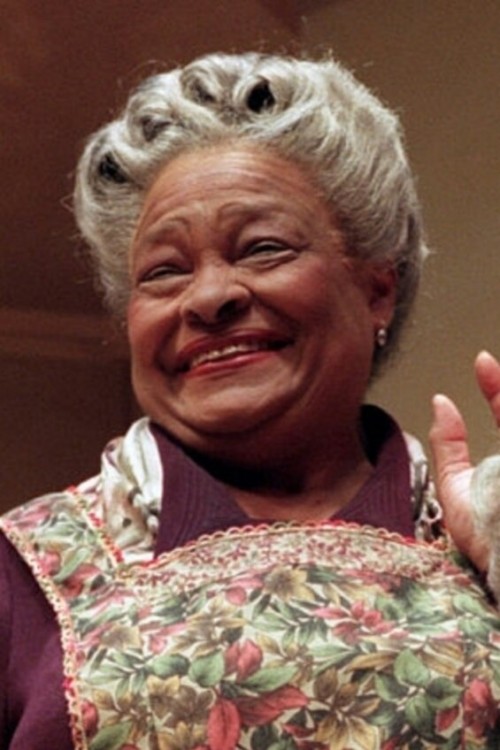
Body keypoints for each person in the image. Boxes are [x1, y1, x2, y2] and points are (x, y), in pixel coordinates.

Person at [1, 51, 500, 749]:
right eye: (165, 271)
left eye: (263, 249)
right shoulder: (18, 575)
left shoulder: (479, 545)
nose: (209, 297)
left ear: (376, 288)